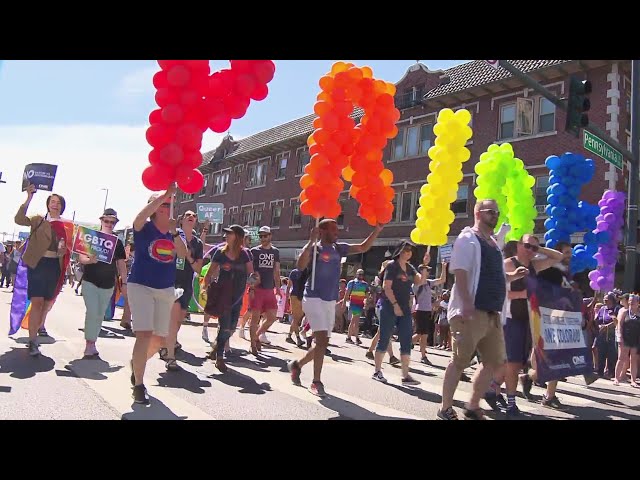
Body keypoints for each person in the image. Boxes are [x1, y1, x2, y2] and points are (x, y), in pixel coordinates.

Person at [437, 200, 528, 420]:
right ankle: (445, 408)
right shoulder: (468, 239)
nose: (495, 216)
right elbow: (460, 273)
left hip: (492, 313)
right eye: (490, 212)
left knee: (495, 361)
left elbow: (495, 276)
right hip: (471, 311)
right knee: (460, 361)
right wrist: (466, 303)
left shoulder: (494, 245)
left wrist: (513, 276)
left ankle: (472, 405)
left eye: (496, 212)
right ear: (477, 213)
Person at [288, 219, 383, 397]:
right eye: (333, 229)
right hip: (313, 297)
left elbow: (363, 247)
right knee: (321, 339)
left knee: (323, 343)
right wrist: (310, 241)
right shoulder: (315, 248)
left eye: (337, 229)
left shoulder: (339, 248)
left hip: (330, 300)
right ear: (322, 231)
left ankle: (297, 365)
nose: (337, 232)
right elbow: (300, 266)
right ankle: (316, 382)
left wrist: (377, 230)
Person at [127, 186, 188, 405]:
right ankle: (139, 385)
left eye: (168, 202)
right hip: (141, 285)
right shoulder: (144, 227)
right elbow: (139, 217)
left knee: (159, 339)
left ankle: (136, 363)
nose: (165, 205)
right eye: (161, 203)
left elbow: (183, 254)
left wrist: (174, 232)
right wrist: (163, 194)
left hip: (165, 289)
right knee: (144, 334)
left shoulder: (175, 231)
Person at [502, 235, 565, 416]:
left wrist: (540, 249)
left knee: (521, 362)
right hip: (511, 318)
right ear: (519, 246)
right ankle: (510, 403)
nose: (530, 251)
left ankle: (493, 389)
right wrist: (523, 293)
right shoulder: (509, 264)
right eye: (527, 246)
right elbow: (499, 292)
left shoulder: (534, 265)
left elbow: (558, 257)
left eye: (534, 248)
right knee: (512, 363)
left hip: (530, 320)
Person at [14, 185, 72, 356]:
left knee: (46, 304)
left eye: (58, 202)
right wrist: (29, 197)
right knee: (37, 302)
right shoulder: (38, 219)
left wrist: (64, 250)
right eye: (52, 202)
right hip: (38, 264)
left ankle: (37, 330)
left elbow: (71, 247)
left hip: (54, 266)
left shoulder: (67, 225)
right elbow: (18, 219)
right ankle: (33, 341)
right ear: (48, 204)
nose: (55, 204)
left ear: (62, 206)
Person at [371, 240, 424, 385]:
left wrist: (424, 266)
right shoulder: (392, 266)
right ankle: (377, 371)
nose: (408, 253)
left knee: (406, 339)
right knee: (385, 336)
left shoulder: (410, 267)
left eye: (410, 250)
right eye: (406, 250)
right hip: (388, 306)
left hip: (405, 308)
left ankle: (406, 375)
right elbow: (386, 287)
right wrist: (395, 305)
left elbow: (420, 281)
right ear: (400, 251)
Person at [78, 208, 128, 358]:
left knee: (99, 314)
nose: (109, 224)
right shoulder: (90, 237)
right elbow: (82, 258)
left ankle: (92, 342)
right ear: (101, 221)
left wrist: (124, 283)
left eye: (112, 222)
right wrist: (90, 260)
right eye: (106, 221)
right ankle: (89, 344)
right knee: (92, 311)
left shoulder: (117, 242)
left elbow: (121, 264)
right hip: (90, 281)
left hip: (108, 284)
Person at [204, 225, 254, 371]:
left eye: (229, 233)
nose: (225, 236)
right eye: (225, 233)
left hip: (238, 296)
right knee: (225, 325)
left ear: (237, 237)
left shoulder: (245, 254)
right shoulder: (220, 253)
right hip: (222, 295)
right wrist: (205, 287)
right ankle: (220, 357)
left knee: (231, 327)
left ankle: (217, 346)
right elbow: (210, 273)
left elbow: (251, 274)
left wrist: (253, 283)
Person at [161, 210, 204, 371]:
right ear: (181, 220)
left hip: (186, 283)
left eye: (193, 216)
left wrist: (189, 257)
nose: (191, 216)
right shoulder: (172, 234)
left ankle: (166, 344)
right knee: (173, 317)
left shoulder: (198, 243)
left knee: (178, 320)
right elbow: (170, 254)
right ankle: (170, 355)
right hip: (171, 281)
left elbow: (198, 268)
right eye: (187, 215)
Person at [412, 252, 448, 365]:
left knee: (424, 335)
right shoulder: (416, 284)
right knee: (420, 334)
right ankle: (406, 344)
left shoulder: (428, 283)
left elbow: (442, 280)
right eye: (427, 270)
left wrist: (444, 267)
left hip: (427, 311)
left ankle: (423, 355)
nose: (428, 272)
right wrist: (424, 263)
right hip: (420, 311)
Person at [251, 226, 282, 351]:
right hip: (257, 288)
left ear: (270, 236)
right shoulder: (254, 251)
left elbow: (277, 271)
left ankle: (256, 336)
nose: (263, 238)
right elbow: (251, 271)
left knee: (272, 317)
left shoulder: (275, 252)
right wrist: (252, 287)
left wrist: (278, 288)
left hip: (270, 289)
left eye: (265, 235)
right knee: (255, 318)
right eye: (261, 236)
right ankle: (253, 345)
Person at [614, 294, 640, 386]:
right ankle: (616, 378)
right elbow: (619, 325)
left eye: (633, 301)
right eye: (630, 300)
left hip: (636, 339)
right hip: (625, 338)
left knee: (634, 359)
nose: (631, 302)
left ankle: (633, 380)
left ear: (638, 303)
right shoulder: (625, 312)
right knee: (621, 358)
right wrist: (620, 336)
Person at [593, 292, 620, 379]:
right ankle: (600, 371)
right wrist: (598, 325)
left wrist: (607, 326)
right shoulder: (602, 309)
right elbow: (597, 319)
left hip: (612, 334)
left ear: (611, 300)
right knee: (601, 352)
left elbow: (617, 322)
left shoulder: (616, 308)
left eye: (606, 299)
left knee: (611, 353)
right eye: (604, 299)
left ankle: (610, 372)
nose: (604, 300)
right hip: (601, 333)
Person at [345, 269, 369, 345]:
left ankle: (350, 337)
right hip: (354, 304)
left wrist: (366, 304)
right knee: (355, 320)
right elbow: (347, 293)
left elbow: (367, 295)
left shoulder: (365, 284)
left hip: (360, 304)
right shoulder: (352, 283)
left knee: (354, 321)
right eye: (359, 274)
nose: (360, 275)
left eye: (362, 274)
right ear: (356, 274)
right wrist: (344, 302)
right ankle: (356, 338)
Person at [286, 267, 306, 347]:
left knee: (297, 317)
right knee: (297, 317)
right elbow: (289, 285)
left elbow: (289, 285)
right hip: (297, 295)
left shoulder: (294, 271)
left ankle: (289, 335)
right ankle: (297, 338)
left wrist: (287, 296)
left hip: (296, 295)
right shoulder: (305, 272)